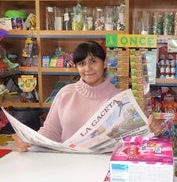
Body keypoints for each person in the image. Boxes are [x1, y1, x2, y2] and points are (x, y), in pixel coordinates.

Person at [12, 40, 162, 152]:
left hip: (103, 167)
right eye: (81, 64)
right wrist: (29, 141)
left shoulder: (120, 98)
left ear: (104, 64)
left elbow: (134, 138)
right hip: (67, 164)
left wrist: (153, 129)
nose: (87, 69)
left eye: (93, 61)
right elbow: (51, 131)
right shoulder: (66, 94)